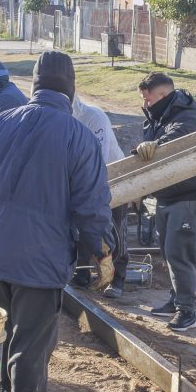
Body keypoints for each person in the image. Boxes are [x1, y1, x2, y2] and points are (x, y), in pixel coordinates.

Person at [0, 51, 113, 392]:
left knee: (2, 330)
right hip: (42, 259)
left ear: (34, 85)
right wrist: (101, 254)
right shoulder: (79, 136)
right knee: (31, 344)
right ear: (71, 90)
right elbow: (91, 205)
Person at [134, 73, 196, 332]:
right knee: (169, 252)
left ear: (163, 96)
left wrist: (154, 146)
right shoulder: (157, 117)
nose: (145, 104)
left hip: (191, 195)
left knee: (180, 252)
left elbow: (175, 142)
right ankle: (175, 298)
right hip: (168, 195)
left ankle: (187, 311)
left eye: (148, 98)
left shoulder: (187, 115)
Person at [71, 95, 128, 298]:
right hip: (82, 182)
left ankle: (118, 280)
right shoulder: (61, 119)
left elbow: (99, 160)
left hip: (112, 180)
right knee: (80, 230)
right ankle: (82, 275)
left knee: (114, 230)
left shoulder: (94, 118)